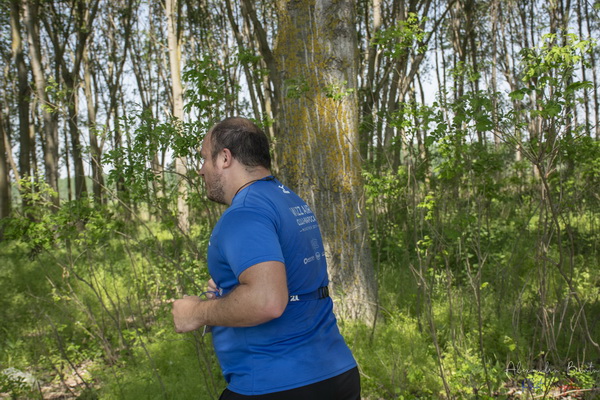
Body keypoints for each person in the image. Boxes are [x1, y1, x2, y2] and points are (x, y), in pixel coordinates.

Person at [171, 117, 360, 399]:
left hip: (276, 382)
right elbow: (292, 279)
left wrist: (196, 313)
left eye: (205, 158)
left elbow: (267, 301)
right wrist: (229, 292)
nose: (201, 170)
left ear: (225, 158)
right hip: (334, 374)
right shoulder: (288, 200)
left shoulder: (245, 213)